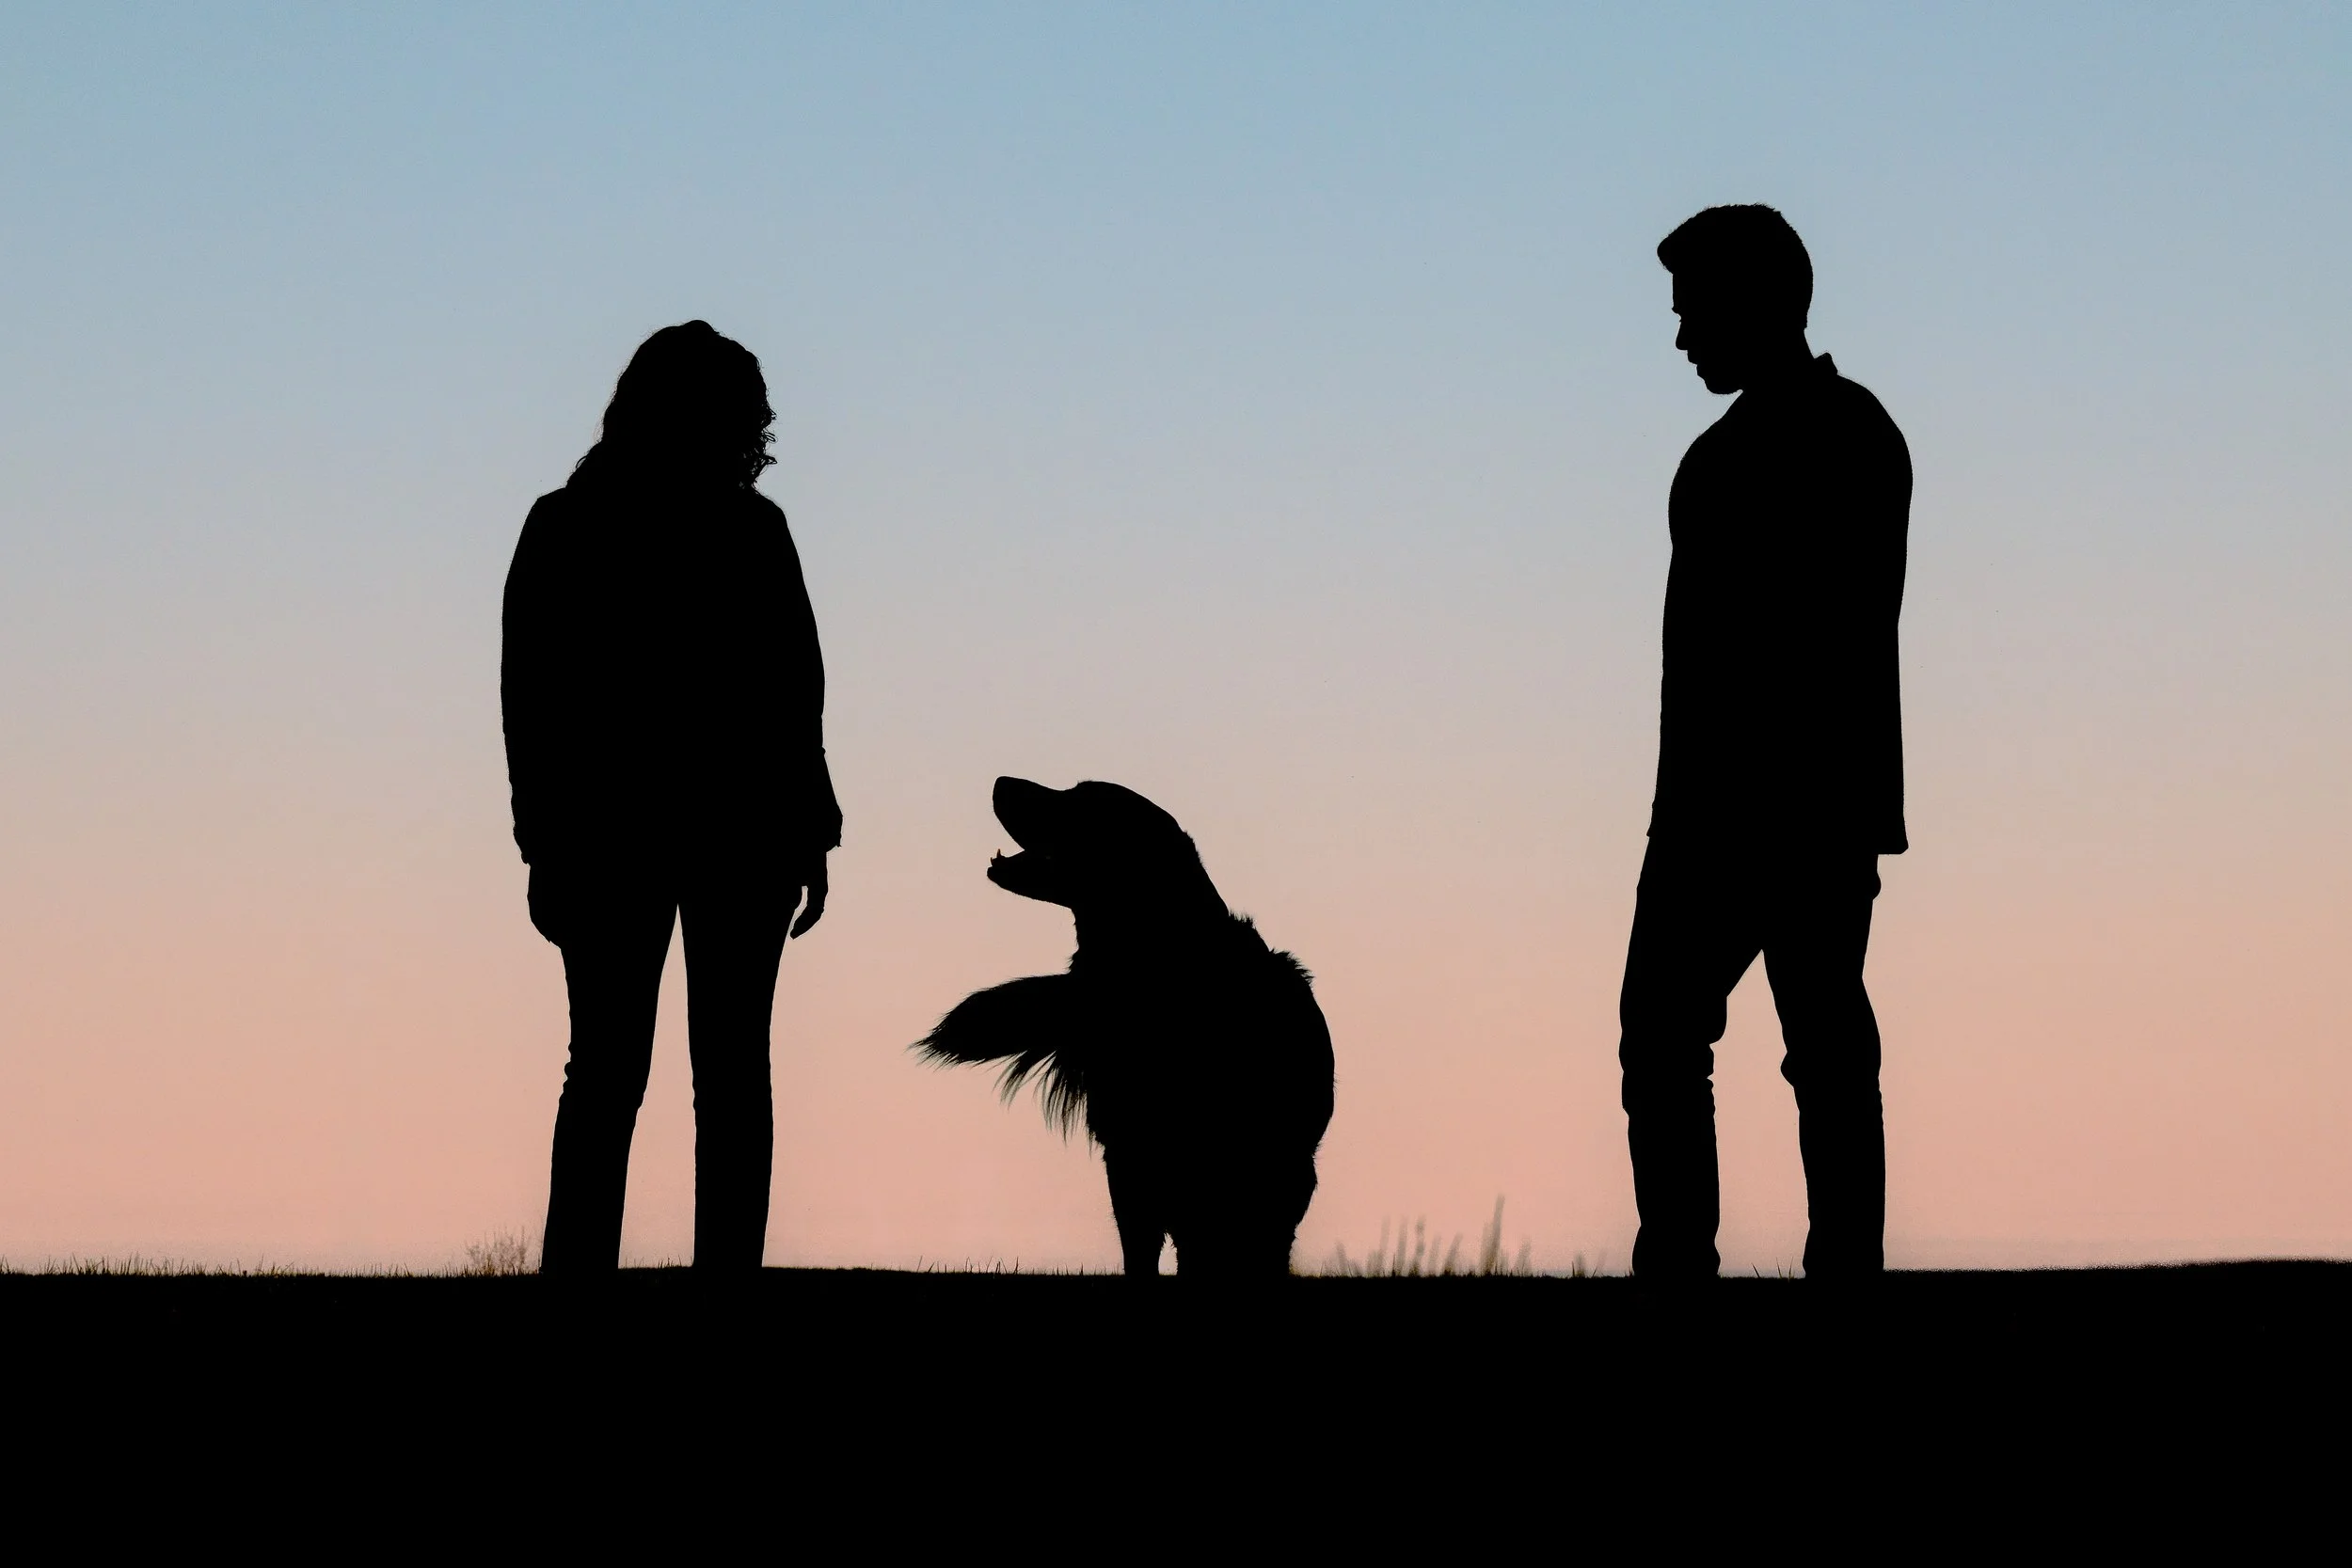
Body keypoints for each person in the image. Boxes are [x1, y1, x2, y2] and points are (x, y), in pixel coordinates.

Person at [502, 321, 840, 1274]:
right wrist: (809, 829)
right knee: (712, 1076)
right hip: (703, 836)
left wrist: (544, 846)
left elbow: (531, 703)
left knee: (616, 1073)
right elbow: (794, 693)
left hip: (643, 838)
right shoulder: (741, 530)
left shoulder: (568, 526)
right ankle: (710, 1286)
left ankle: (585, 1283)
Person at [1619, 206, 1912, 1279]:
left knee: (1796, 1039)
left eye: (1696, 310)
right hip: (1744, 809)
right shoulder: (1739, 455)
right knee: (1710, 1035)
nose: (1684, 335)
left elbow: (1821, 637)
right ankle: (1717, 1261)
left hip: (1780, 809)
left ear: (1757, 303)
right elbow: (1693, 671)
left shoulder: (1835, 438)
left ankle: (1798, 1265)